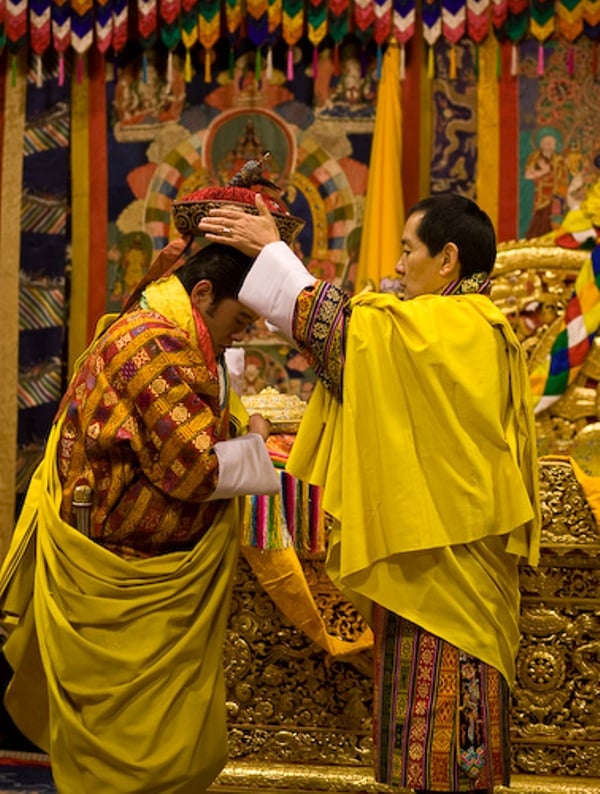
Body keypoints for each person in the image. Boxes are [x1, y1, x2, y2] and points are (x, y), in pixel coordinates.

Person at [198, 193, 541, 794]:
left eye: (409, 249)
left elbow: (350, 334)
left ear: (448, 259)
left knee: (449, 746)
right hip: (436, 560)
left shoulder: (459, 325)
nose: (400, 264)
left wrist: (273, 254)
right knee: (428, 746)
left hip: (450, 570)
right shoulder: (452, 328)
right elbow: (355, 352)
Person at [0, 241, 281, 792]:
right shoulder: (153, 344)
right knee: (139, 757)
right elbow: (198, 470)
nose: (242, 335)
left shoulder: (164, 328)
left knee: (160, 749)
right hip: (124, 575)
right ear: (203, 295)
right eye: (239, 319)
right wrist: (257, 439)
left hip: (141, 571)